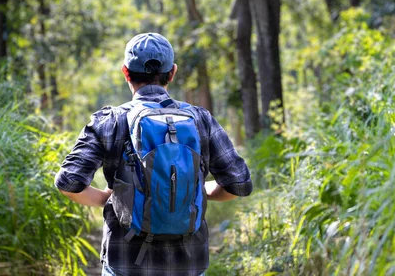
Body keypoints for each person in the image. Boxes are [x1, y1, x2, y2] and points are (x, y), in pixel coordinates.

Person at [55, 33, 253, 276]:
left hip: (125, 262)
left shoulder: (110, 121)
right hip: (188, 263)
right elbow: (239, 185)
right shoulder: (201, 120)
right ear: (173, 73)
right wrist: (193, 189)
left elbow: (68, 183)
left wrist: (113, 197)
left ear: (126, 72)